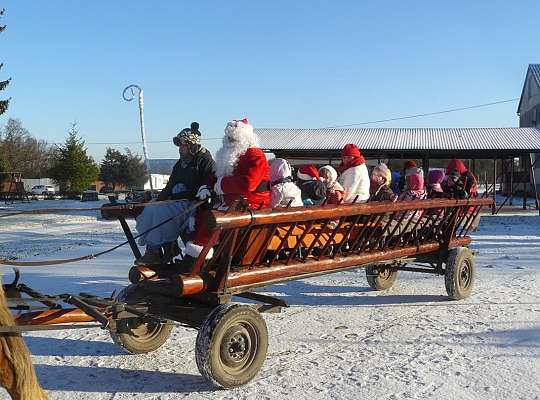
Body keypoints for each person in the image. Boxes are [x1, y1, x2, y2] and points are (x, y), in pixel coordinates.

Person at [135, 122, 216, 265]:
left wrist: (178, 196)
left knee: (159, 213)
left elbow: (206, 188)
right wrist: (160, 200)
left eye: (183, 146)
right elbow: (170, 185)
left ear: (192, 146)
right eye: (179, 146)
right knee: (152, 208)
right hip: (178, 202)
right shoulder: (181, 163)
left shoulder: (206, 162)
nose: (180, 149)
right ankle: (166, 246)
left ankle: (154, 251)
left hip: (194, 205)